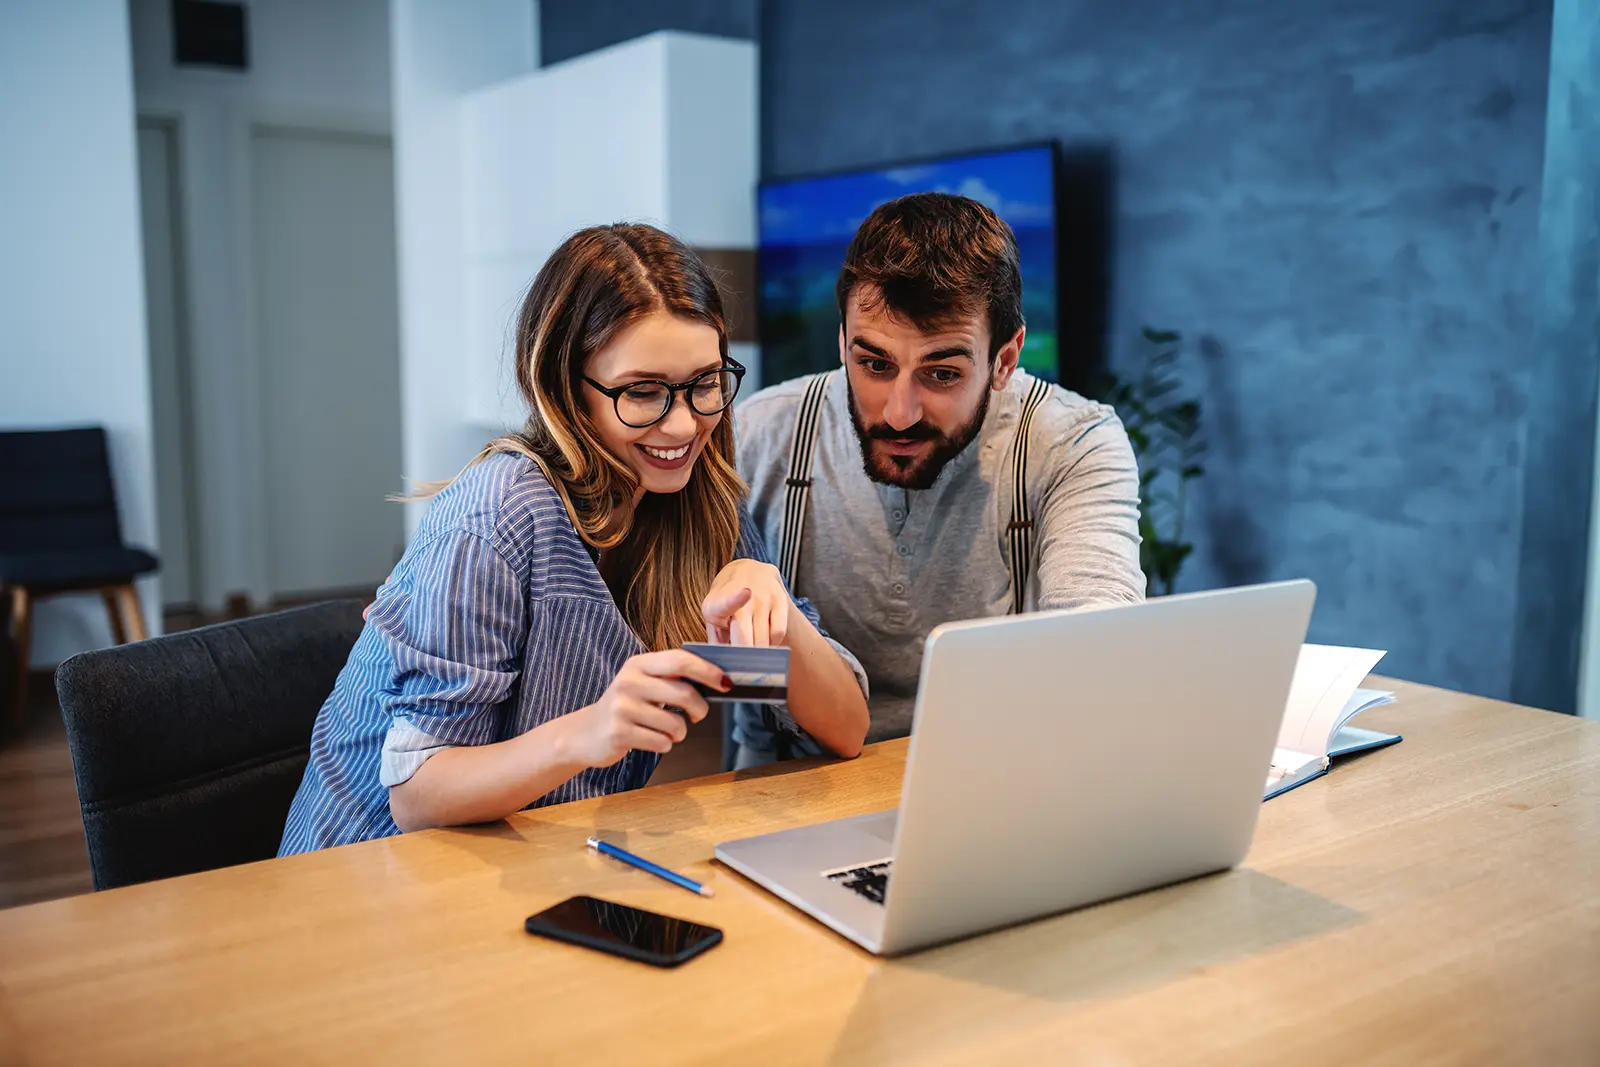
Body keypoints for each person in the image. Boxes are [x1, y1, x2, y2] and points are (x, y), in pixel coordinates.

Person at [280, 224, 869, 855]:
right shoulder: (499, 511)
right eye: (642, 392)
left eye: (705, 383)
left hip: (537, 868)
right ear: (566, 388)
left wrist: (783, 622)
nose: (684, 423)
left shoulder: (701, 507)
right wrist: (587, 734)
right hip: (368, 883)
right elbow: (417, 794)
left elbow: (846, 730)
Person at [732, 193, 1143, 766]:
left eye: (942, 373)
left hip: (997, 777)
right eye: (873, 364)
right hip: (787, 778)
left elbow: (1097, 630)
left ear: (1005, 359)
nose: (899, 413)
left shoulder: (1072, 440)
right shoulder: (758, 433)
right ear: (842, 340)